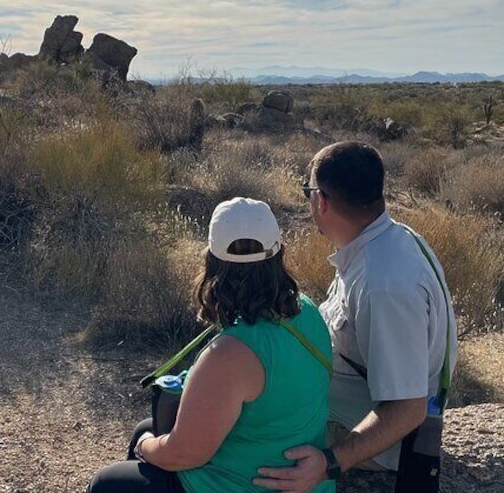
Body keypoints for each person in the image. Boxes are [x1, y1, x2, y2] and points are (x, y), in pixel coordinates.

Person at [86, 197, 334, 493]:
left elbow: (184, 454)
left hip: (238, 485)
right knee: (146, 427)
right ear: (280, 254)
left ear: (212, 262)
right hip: (297, 476)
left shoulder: (229, 355)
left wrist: (145, 448)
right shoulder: (307, 310)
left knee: (109, 482)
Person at [254, 141, 458, 492]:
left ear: (321, 200)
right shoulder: (384, 242)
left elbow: (407, 410)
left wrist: (330, 462)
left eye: (307, 191)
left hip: (378, 441)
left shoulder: (384, 284)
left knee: (248, 433)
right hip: (347, 404)